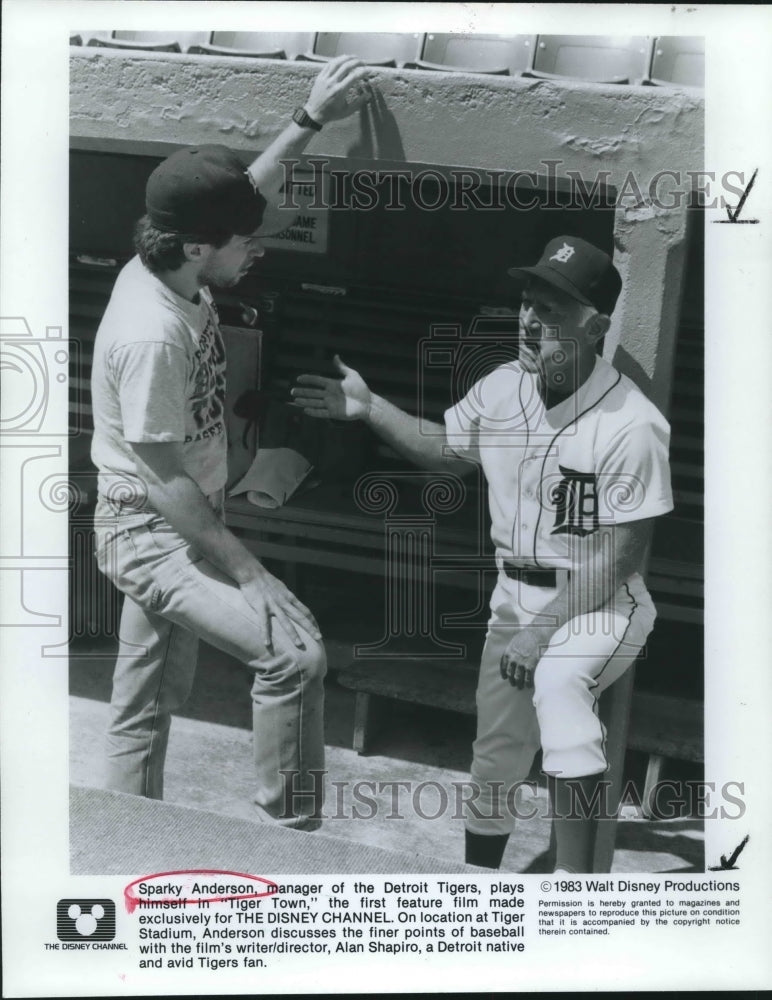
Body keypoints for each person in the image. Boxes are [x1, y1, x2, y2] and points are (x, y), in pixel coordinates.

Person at [292, 235, 674, 869]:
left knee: (559, 687)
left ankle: (577, 897)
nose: (530, 320)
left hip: (604, 602)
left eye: (552, 309)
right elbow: (447, 450)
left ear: (596, 325)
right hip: (515, 594)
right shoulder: (504, 387)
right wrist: (369, 409)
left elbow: (620, 558)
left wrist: (543, 633)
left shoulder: (631, 423)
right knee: (496, 753)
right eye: (528, 302)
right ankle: (479, 884)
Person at [91, 56, 371, 830]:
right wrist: (248, 573)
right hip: (154, 529)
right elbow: (158, 474)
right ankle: (294, 838)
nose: (257, 247)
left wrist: (309, 119)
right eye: (244, 241)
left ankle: (120, 834)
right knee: (295, 655)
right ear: (194, 249)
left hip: (183, 515)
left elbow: (245, 191)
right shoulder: (151, 334)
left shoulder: (173, 259)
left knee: (143, 700)